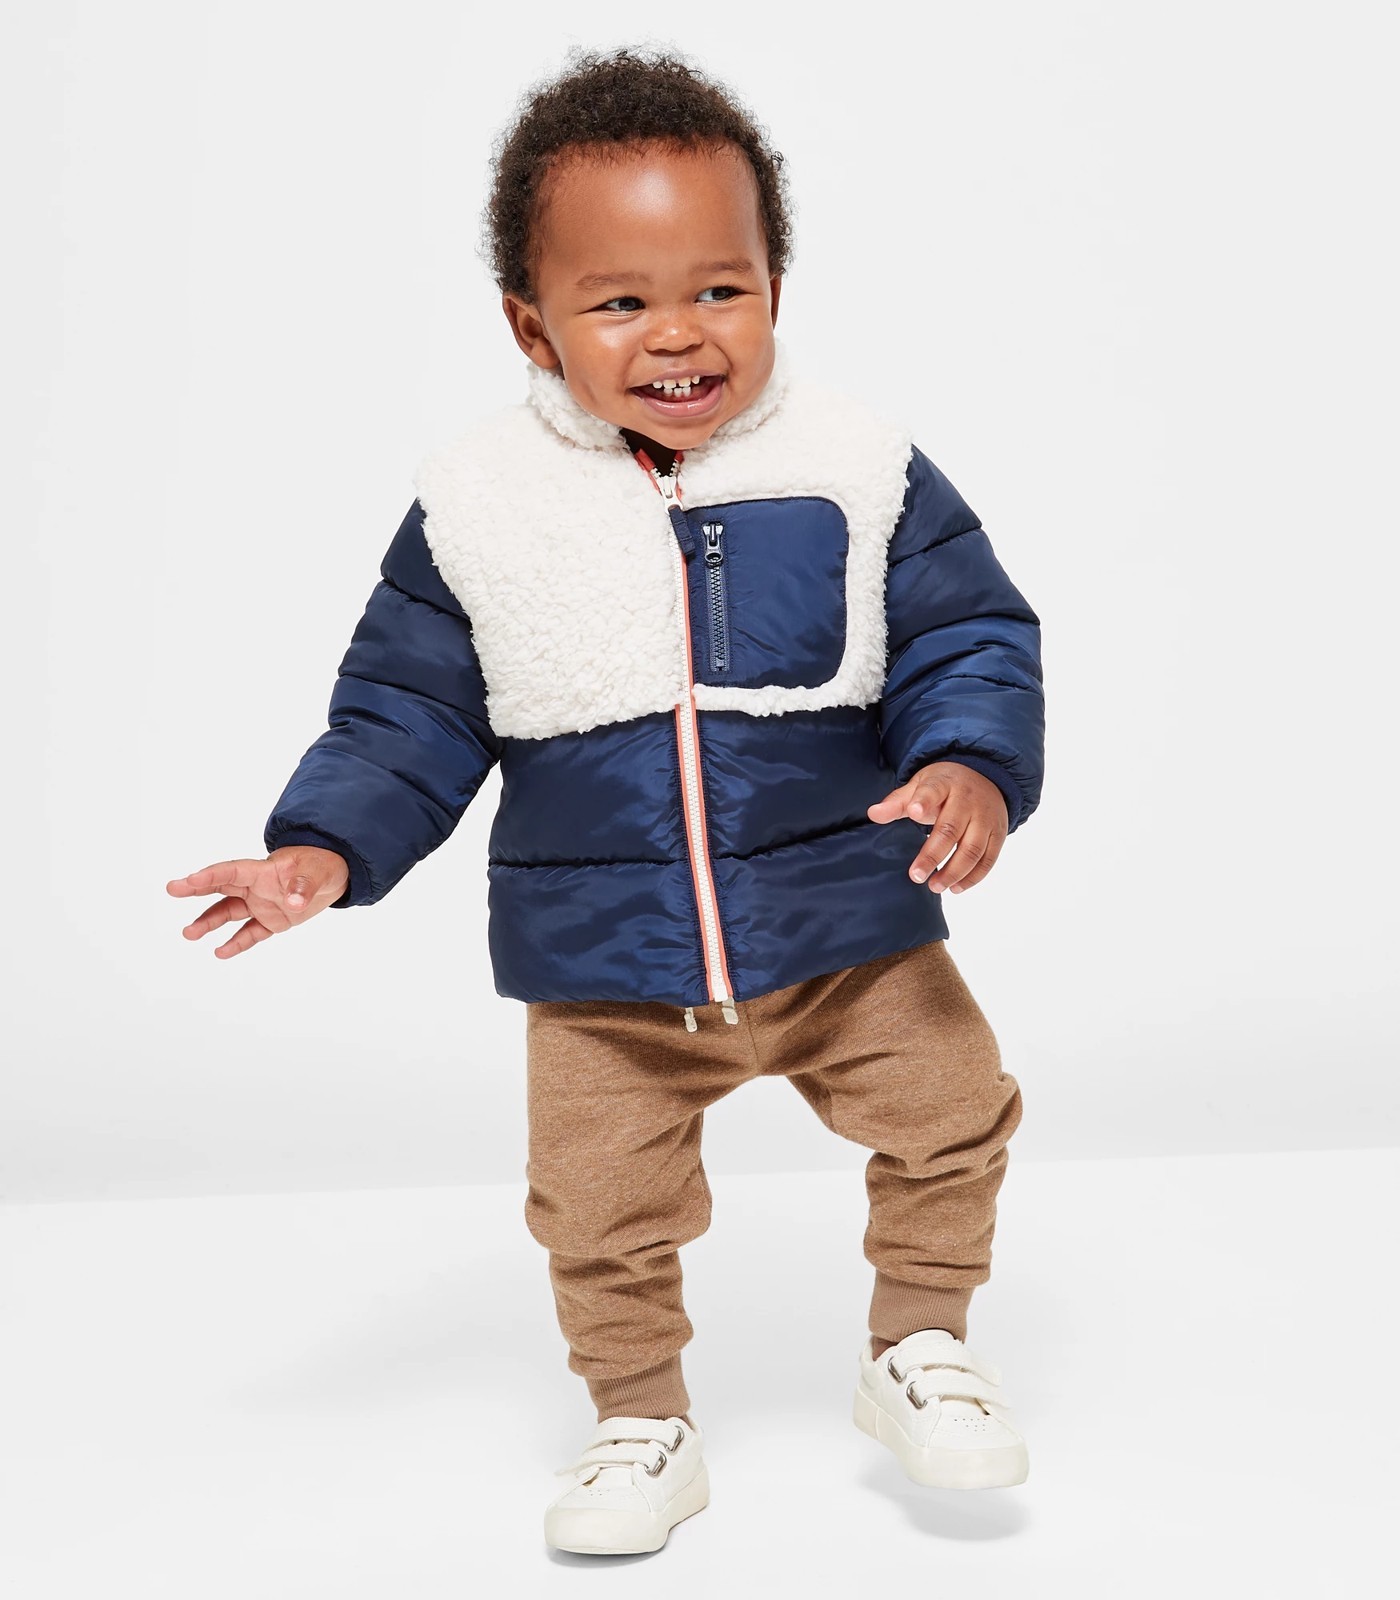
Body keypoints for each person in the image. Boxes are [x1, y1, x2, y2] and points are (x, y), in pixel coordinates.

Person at [166, 46, 1046, 1557]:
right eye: (621, 301)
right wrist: (323, 847)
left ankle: (919, 1342)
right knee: (593, 1205)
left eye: (721, 288)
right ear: (533, 324)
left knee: (958, 1115)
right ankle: (641, 1417)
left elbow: (968, 631)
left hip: (848, 924)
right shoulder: (481, 506)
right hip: (607, 967)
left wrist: (970, 758)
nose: (680, 333)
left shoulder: (858, 466)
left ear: (776, 288)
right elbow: (406, 711)